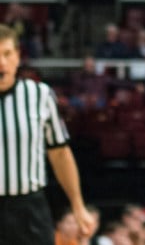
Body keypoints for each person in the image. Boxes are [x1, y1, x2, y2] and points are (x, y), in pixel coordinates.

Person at [0, 24, 95, 245]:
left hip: (28, 208)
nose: (1, 63)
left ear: (18, 56)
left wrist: (78, 206)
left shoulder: (39, 94)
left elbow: (60, 153)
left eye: (7, 54)